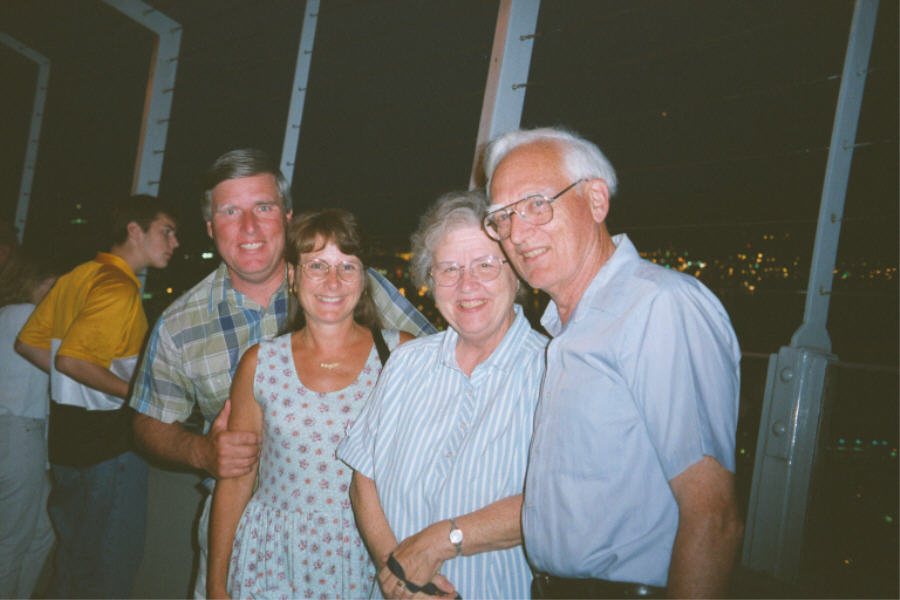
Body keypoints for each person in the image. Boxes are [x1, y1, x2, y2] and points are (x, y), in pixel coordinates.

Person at [129, 148, 435, 598]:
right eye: (231, 212)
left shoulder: (356, 291)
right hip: (247, 540)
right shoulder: (180, 323)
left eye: (264, 208)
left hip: (368, 538)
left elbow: (441, 366)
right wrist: (202, 452)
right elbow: (146, 423)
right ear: (212, 228)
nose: (249, 227)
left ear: (288, 218)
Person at [482, 126, 743, 598]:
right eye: (502, 217)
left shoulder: (658, 307)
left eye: (538, 204)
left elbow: (714, 516)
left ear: (597, 201)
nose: (517, 234)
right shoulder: (565, 333)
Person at [338, 190, 547, 599]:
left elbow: (560, 504)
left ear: (516, 273)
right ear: (429, 280)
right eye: (448, 269)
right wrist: (400, 573)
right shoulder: (406, 362)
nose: (466, 285)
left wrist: (439, 541)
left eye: (485, 265)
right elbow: (363, 480)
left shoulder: (554, 371)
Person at [207, 209, 413, 599]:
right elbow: (236, 481)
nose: (332, 281)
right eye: (316, 265)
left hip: (367, 554)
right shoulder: (260, 364)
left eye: (347, 267)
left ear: (364, 277)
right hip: (272, 556)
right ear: (292, 275)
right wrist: (216, 585)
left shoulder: (400, 355)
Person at [16, 195, 180, 598]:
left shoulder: (78, 276)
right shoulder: (118, 287)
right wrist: (139, 394)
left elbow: (30, 344)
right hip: (108, 451)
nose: (175, 243)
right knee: (108, 572)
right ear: (134, 230)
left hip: (69, 442)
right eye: (167, 231)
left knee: (73, 563)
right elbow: (73, 360)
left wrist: (74, 381)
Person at [0, 253, 58, 599]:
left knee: (43, 529)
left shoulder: (7, 316)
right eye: (53, 288)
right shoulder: (26, 315)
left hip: (20, 430)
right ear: (31, 283)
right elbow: (69, 366)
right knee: (13, 540)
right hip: (20, 429)